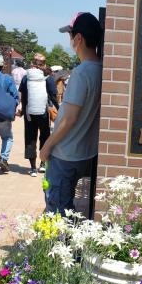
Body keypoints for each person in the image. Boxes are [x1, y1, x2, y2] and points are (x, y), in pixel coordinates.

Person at [40, 12, 102, 215]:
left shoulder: (81, 73)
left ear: (79, 38)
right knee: (67, 210)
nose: (70, 41)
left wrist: (47, 146)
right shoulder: (103, 70)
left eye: (70, 36)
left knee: (57, 210)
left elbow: (69, 118)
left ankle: (59, 246)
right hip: (86, 151)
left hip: (65, 153)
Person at [18, 53, 59, 177]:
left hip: (29, 113)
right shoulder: (48, 78)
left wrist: (23, 110)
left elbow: (22, 95)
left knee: (30, 138)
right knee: (45, 136)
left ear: (32, 63)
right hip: (44, 113)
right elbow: (53, 95)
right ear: (44, 64)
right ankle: (42, 164)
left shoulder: (26, 77)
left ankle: (32, 168)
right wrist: (58, 108)